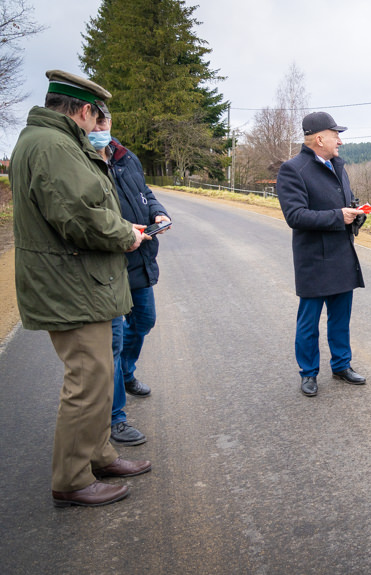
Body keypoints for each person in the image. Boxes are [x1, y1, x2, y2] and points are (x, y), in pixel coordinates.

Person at [10, 70, 152, 507]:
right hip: (72, 284)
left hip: (80, 281)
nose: (96, 128)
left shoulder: (47, 142)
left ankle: (99, 454)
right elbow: (80, 215)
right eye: (96, 117)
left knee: (98, 374)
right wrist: (125, 234)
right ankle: (72, 479)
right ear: (85, 110)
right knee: (87, 379)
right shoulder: (53, 146)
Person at [90, 113, 171, 446]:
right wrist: (127, 232)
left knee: (144, 320)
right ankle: (115, 417)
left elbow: (145, 192)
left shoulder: (124, 156)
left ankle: (125, 372)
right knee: (114, 337)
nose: (99, 130)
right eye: (94, 125)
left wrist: (157, 212)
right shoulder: (83, 161)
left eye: (104, 124)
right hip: (109, 263)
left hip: (139, 259)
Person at [276, 111, 366, 397]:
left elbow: (342, 205)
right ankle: (308, 373)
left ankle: (341, 365)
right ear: (319, 138)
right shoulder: (293, 169)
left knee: (340, 318)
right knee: (309, 323)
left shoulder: (338, 165)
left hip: (341, 255)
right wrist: (339, 216)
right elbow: (296, 216)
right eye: (335, 134)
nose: (339, 140)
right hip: (313, 260)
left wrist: (355, 214)